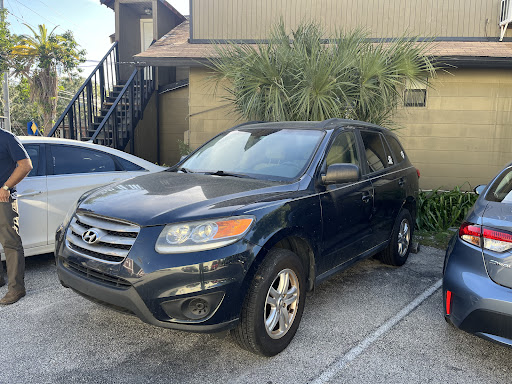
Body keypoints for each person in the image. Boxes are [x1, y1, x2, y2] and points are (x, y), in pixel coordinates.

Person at [0, 129, 32, 305]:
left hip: (2, 199)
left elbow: (25, 165)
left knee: (10, 243)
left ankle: (16, 289)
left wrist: (6, 187)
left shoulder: (7, 138)